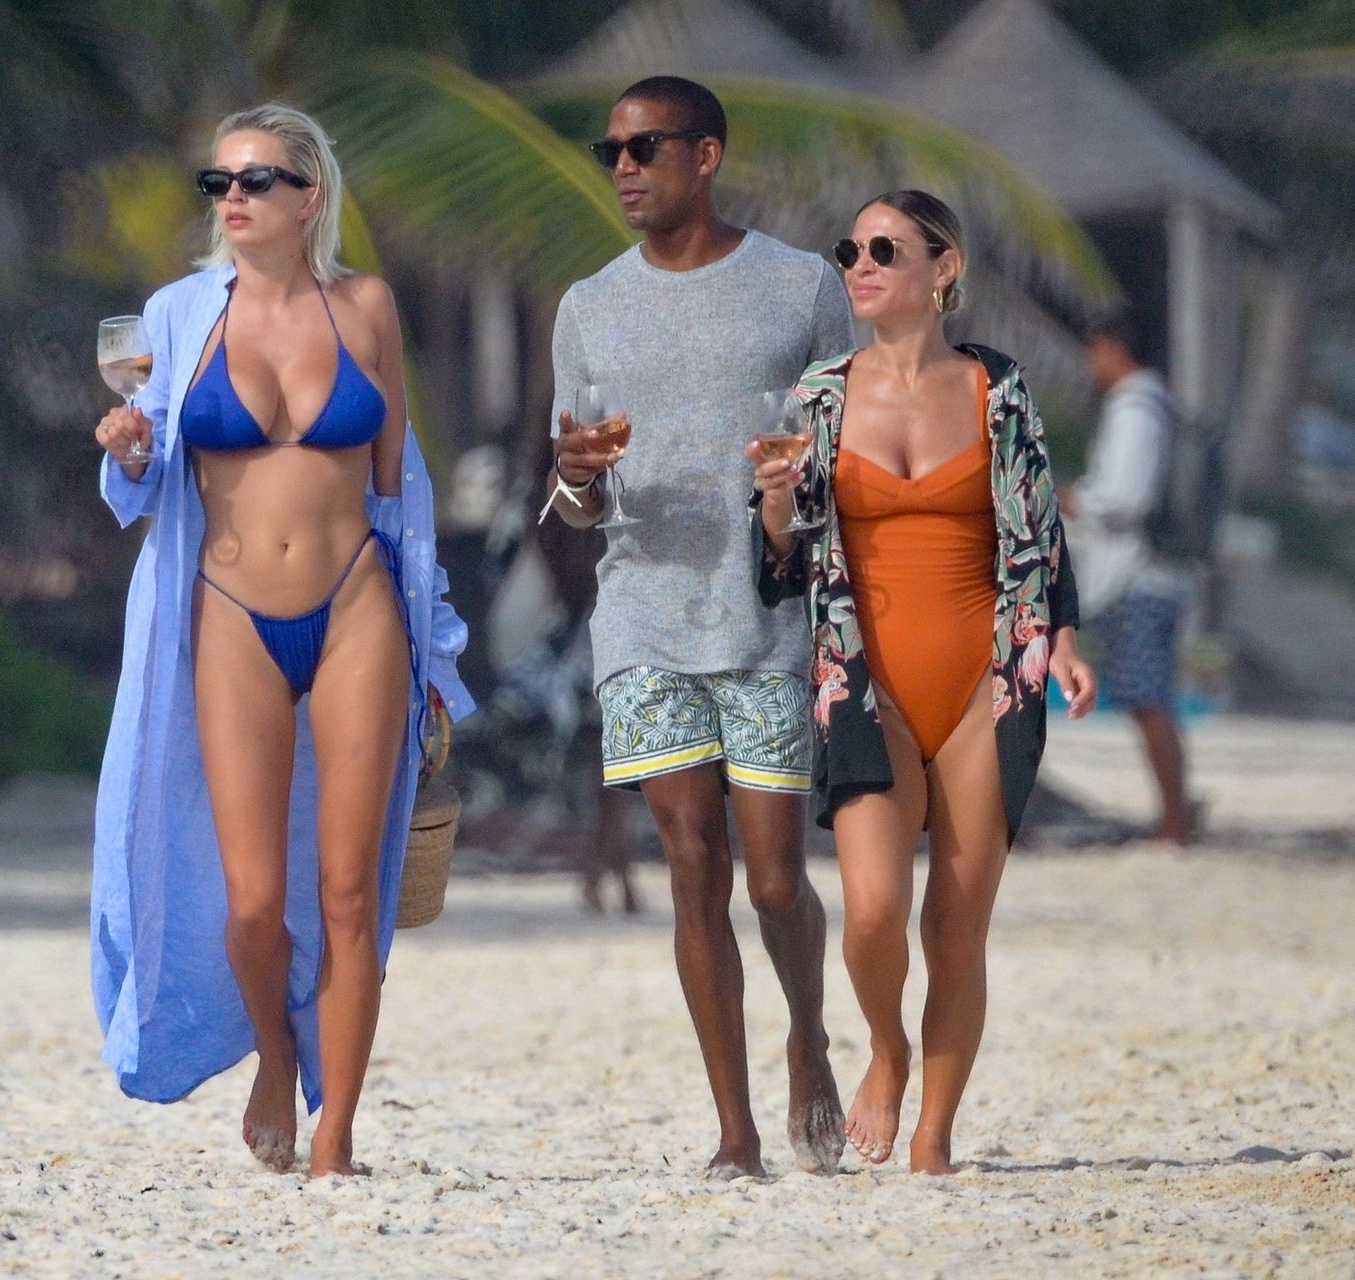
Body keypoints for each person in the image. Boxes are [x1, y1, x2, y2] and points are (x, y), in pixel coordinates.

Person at [89, 103, 472, 1178]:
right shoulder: (176, 315)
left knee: (351, 890)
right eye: (218, 182)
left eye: (256, 179)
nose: (233, 198)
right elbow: (146, 473)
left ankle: (336, 1132)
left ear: (310, 195)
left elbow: (400, 491)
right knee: (254, 902)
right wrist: (127, 451)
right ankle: (272, 1051)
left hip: (357, 607)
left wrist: (433, 651)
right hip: (229, 611)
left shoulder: (367, 306)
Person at [749, 191, 1097, 1175]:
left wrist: (1066, 642)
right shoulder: (817, 397)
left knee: (954, 925)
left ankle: (935, 1137)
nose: (859, 266)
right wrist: (773, 503)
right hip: (866, 688)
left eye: (883, 249)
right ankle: (888, 1049)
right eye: (849, 250)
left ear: (944, 268)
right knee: (871, 912)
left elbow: (1042, 538)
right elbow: (778, 564)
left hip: (991, 683)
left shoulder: (999, 388)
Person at [547, 76, 852, 1179]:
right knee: (691, 864)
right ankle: (736, 1129)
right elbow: (574, 502)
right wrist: (578, 475)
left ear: (707, 154)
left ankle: (809, 1040)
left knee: (774, 880)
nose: (624, 169)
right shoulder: (588, 304)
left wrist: (793, 501)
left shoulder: (802, 285)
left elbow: (846, 458)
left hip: (766, 613)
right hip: (641, 613)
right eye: (611, 153)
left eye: (646, 148)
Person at [1063, 311, 1198, 844]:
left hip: (1136, 575)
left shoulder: (1135, 407)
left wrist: (1074, 499)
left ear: (1115, 348)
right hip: (1156, 572)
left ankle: (1174, 822)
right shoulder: (1157, 404)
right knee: (1152, 697)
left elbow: (1126, 497)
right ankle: (1177, 811)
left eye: (1094, 349)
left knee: (1147, 699)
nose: (1090, 362)